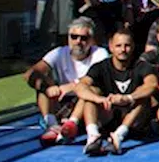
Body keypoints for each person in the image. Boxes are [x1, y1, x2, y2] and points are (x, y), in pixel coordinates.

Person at [79, 30, 159, 156]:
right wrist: (99, 99)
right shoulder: (100, 67)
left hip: (134, 121)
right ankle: (93, 136)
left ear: (132, 46)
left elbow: (152, 84)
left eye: (126, 45)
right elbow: (81, 86)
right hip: (109, 115)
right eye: (118, 46)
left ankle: (119, 136)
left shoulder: (142, 66)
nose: (123, 49)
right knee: (92, 93)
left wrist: (128, 98)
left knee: (143, 95)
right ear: (110, 47)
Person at [28, 17, 107, 146]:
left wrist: (71, 86)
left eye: (83, 38)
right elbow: (31, 74)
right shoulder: (58, 53)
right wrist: (48, 87)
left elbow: (98, 77)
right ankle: (52, 126)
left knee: (89, 91)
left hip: (86, 104)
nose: (78, 41)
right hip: (62, 102)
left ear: (91, 40)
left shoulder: (100, 53)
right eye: (74, 37)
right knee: (42, 87)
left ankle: (71, 125)